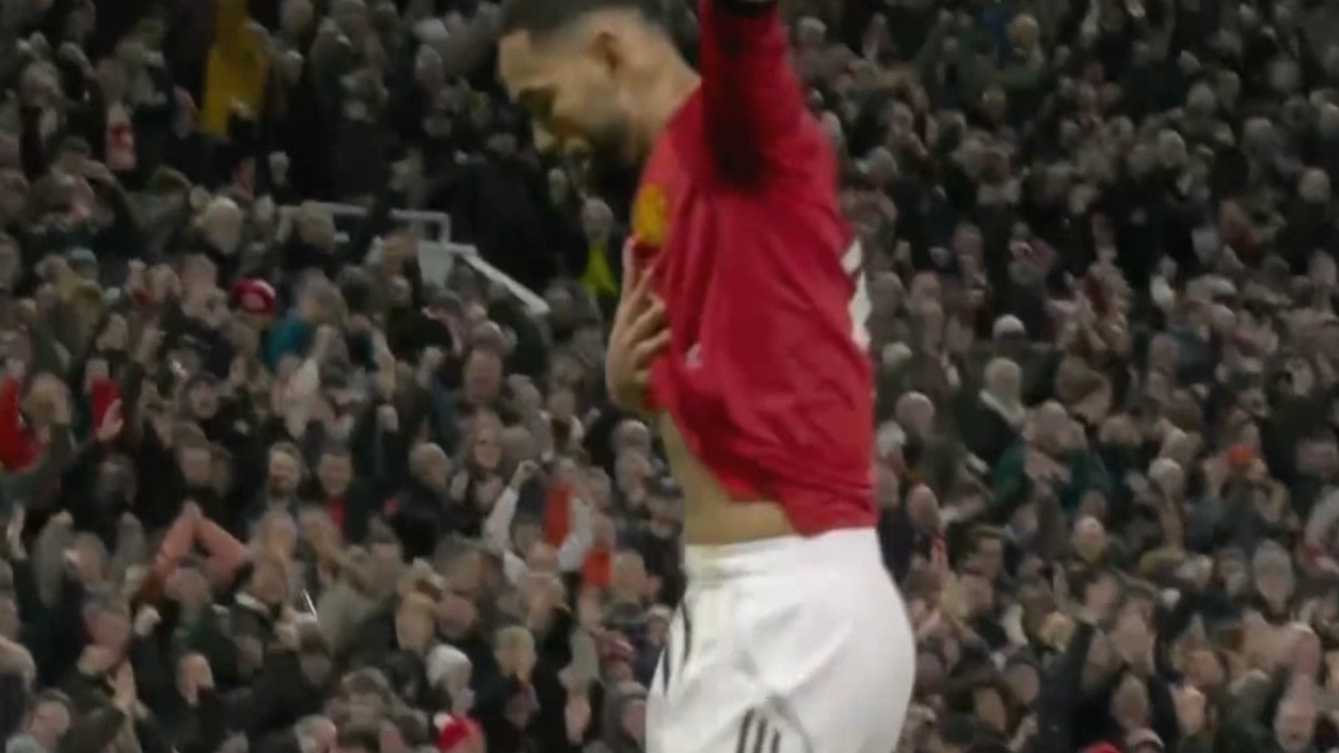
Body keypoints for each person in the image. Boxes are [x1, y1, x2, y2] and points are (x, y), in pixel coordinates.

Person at [497, 1, 915, 751]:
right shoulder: (667, 186)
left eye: (542, 102)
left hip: (794, 611)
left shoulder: (739, 134)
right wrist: (636, 386)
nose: (541, 137)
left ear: (608, 53)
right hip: (730, 600)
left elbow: (742, 25)